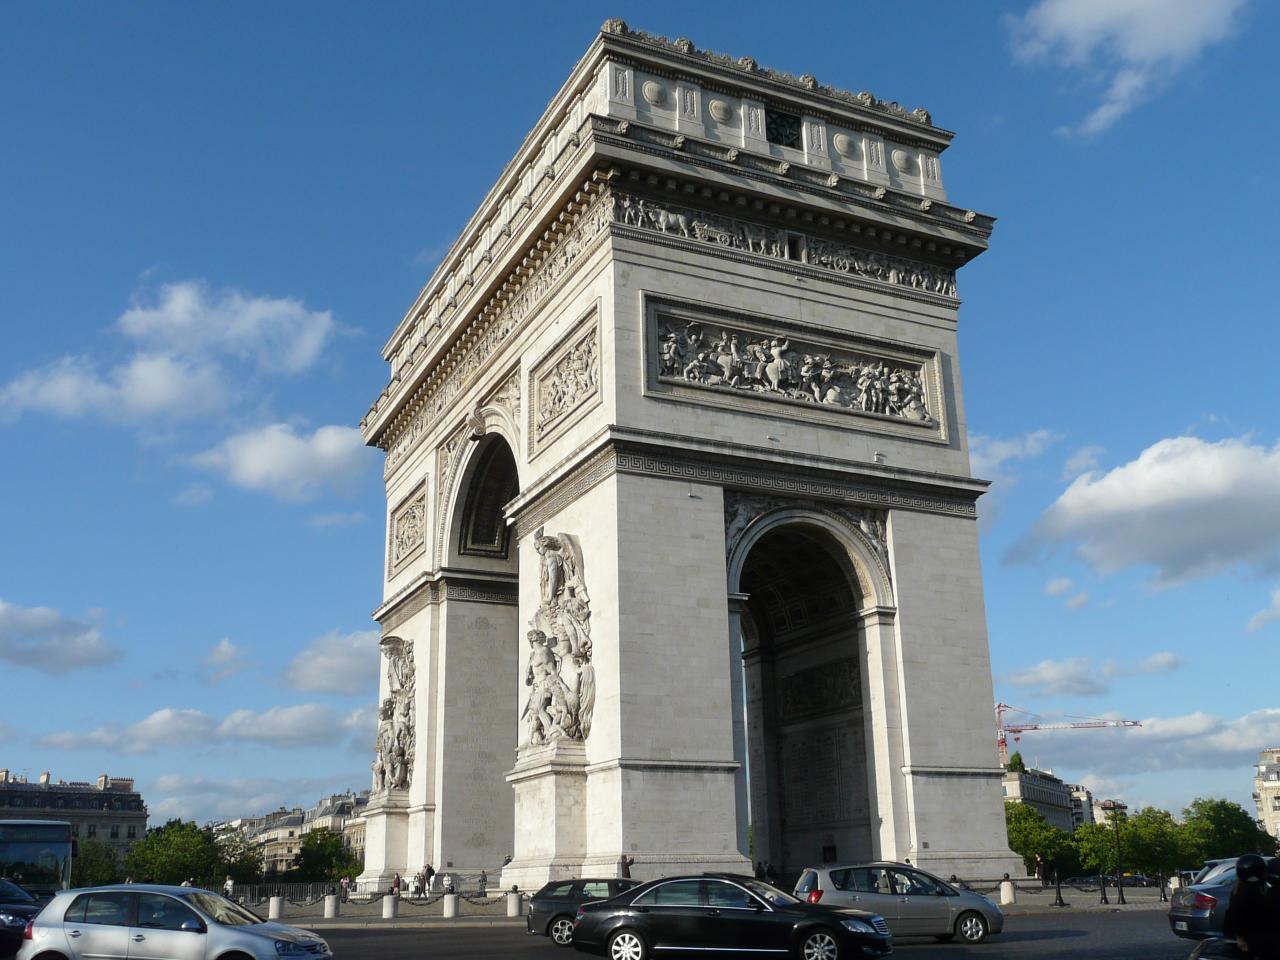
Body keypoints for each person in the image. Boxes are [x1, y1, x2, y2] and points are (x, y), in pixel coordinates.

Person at [1223, 854, 1276, 958]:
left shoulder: (1244, 887)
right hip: (1250, 937)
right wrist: (1240, 937)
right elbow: (1237, 916)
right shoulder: (1248, 891)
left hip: (1251, 934)